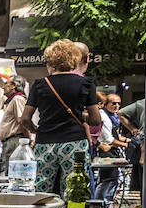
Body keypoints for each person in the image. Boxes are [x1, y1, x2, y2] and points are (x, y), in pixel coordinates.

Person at [19, 40, 101, 195]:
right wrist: (81, 117)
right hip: (75, 142)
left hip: (45, 142)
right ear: (74, 59)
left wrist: (35, 129)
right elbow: (96, 120)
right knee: (74, 189)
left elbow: (24, 119)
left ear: (50, 61)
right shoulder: (86, 83)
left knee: (42, 189)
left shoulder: (40, 85)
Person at [0, 76, 32, 165]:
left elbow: (22, 121)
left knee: (12, 173)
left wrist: (29, 140)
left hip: (14, 141)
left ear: (13, 86)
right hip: (11, 142)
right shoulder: (13, 100)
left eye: (6, 84)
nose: (3, 87)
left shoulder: (17, 99)